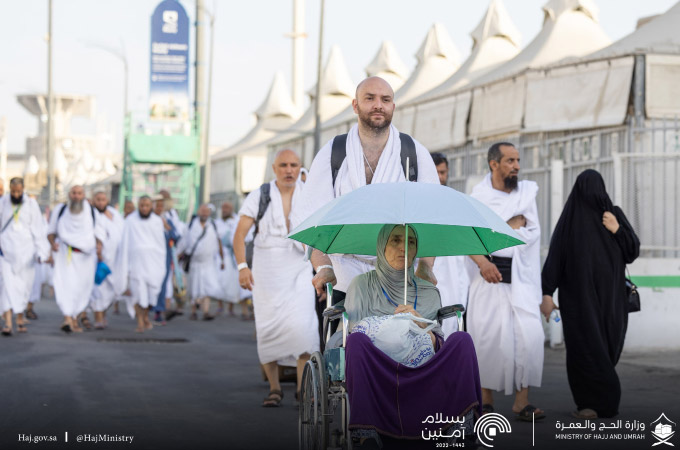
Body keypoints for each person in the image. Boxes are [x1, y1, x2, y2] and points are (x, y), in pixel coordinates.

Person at [296, 76, 440, 310]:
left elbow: (432, 214)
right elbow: (310, 216)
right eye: (370, 98)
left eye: (385, 100)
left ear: (393, 106)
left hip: (400, 278)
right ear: (355, 105)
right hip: (344, 274)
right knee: (346, 333)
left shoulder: (414, 152)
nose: (378, 105)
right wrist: (323, 266)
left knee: (399, 333)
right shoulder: (334, 152)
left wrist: (426, 265)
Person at [344, 224, 482, 446]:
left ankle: (462, 427)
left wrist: (420, 322)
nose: (404, 248)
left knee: (462, 340)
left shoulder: (428, 291)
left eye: (411, 242)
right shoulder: (362, 285)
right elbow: (355, 336)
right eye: (396, 240)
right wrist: (390, 326)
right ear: (382, 246)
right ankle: (366, 431)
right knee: (356, 341)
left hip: (423, 370)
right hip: (379, 369)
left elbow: (437, 345)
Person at [541, 170, 640, 419]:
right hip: (578, 301)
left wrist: (617, 229)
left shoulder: (613, 215)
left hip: (611, 300)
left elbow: (632, 251)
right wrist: (547, 293)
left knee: (607, 347)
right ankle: (591, 403)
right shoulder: (570, 221)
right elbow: (556, 258)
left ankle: (598, 401)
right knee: (585, 348)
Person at [466, 142, 548, 420]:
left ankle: (521, 402)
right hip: (488, 278)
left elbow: (531, 233)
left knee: (529, 337)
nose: (517, 166)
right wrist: (486, 258)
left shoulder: (526, 193)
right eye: (510, 161)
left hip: (521, 278)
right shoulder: (479, 197)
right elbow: (472, 238)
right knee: (488, 339)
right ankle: (486, 401)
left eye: (518, 160)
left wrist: (496, 233)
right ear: (494, 164)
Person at [233, 149, 319, 407]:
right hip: (266, 272)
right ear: (274, 168)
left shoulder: (310, 194)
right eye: (283, 165)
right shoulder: (259, 195)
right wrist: (242, 267)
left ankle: (302, 389)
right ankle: (274, 388)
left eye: (293, 165)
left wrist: (322, 271)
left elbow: (319, 235)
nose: (289, 170)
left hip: (299, 268)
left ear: (300, 167)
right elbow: (240, 235)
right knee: (268, 328)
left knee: (304, 327)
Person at [47, 185, 103, 333]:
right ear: (69, 194)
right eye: (73, 193)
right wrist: (52, 245)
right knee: (65, 286)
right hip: (65, 254)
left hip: (86, 258)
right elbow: (51, 231)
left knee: (82, 289)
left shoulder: (92, 211)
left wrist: (99, 248)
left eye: (79, 193)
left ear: (84, 195)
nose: (76, 196)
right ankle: (67, 318)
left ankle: (75, 319)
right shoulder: (60, 210)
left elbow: (99, 233)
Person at [0, 178, 50, 336]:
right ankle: (8, 323)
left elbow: (38, 230)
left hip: (26, 254)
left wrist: (42, 252)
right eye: (13, 191)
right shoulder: (3, 202)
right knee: (6, 287)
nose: (16, 194)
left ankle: (20, 319)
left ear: (23, 189)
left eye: (19, 191)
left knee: (23, 288)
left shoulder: (31, 204)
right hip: (6, 253)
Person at [430, 153, 470, 337]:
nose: (440, 177)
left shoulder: (455, 202)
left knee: (452, 321)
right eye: (436, 172)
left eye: (443, 172)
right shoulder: (418, 202)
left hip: (454, 273)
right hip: (430, 271)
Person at [115, 196, 167, 333]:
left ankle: (145, 316)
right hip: (136, 264)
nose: (144, 208)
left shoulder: (157, 221)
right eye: (142, 205)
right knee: (137, 294)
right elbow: (125, 243)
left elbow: (161, 244)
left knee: (151, 294)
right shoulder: (130, 220)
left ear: (151, 206)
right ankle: (140, 322)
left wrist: (160, 262)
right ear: (138, 206)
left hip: (153, 264)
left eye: (147, 205)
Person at [89, 191, 125, 329]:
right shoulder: (91, 214)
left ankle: (103, 315)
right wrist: (98, 251)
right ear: (94, 201)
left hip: (115, 258)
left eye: (103, 199)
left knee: (111, 290)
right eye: (98, 199)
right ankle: (98, 318)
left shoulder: (114, 214)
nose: (100, 202)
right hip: (99, 258)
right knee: (98, 289)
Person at [185, 204, 224, 321]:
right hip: (195, 263)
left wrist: (222, 259)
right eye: (202, 211)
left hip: (209, 262)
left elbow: (219, 242)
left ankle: (206, 311)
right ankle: (193, 311)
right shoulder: (191, 225)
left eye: (206, 211)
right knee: (194, 287)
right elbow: (184, 242)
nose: (204, 213)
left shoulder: (213, 225)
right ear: (198, 212)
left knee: (208, 287)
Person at [215, 201, 249, 318]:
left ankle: (231, 307)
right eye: (223, 208)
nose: (224, 210)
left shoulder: (237, 221)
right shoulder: (217, 222)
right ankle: (220, 305)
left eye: (227, 208)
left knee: (233, 282)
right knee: (220, 280)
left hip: (234, 256)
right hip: (221, 257)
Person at [152, 196, 181, 324]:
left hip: (165, 258)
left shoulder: (167, 220)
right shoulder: (148, 220)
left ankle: (159, 311)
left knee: (162, 284)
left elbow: (176, 236)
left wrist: (167, 227)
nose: (159, 208)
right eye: (157, 206)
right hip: (151, 258)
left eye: (161, 206)